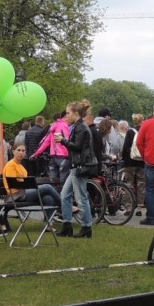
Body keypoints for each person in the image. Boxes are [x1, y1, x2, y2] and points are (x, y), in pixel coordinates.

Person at [56, 99, 96, 239]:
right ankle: (67, 224)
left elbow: (77, 147)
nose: (66, 116)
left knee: (81, 197)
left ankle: (86, 226)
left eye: (68, 113)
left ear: (76, 113)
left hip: (79, 167)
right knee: (65, 195)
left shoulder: (81, 127)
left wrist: (62, 140)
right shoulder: (80, 126)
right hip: (75, 166)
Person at [4, 142, 62, 222]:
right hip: (17, 195)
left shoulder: (22, 167)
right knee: (47, 187)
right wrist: (28, 184)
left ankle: (48, 224)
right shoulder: (10, 165)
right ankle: (64, 208)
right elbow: (14, 183)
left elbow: (24, 183)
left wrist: (28, 184)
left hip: (24, 192)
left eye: (23, 151)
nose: (21, 153)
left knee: (49, 198)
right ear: (13, 152)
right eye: (19, 150)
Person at [32, 112, 71, 184]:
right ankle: (62, 195)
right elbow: (67, 140)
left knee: (52, 181)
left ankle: (53, 194)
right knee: (64, 182)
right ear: (65, 117)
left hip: (53, 158)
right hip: (63, 157)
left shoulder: (53, 127)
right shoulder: (65, 126)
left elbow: (45, 142)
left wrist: (36, 153)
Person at [121, 114, 146, 213]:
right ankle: (140, 207)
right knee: (141, 184)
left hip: (130, 161)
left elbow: (125, 147)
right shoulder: (144, 131)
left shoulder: (130, 132)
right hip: (142, 162)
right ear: (142, 120)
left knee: (129, 183)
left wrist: (123, 158)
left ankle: (129, 206)